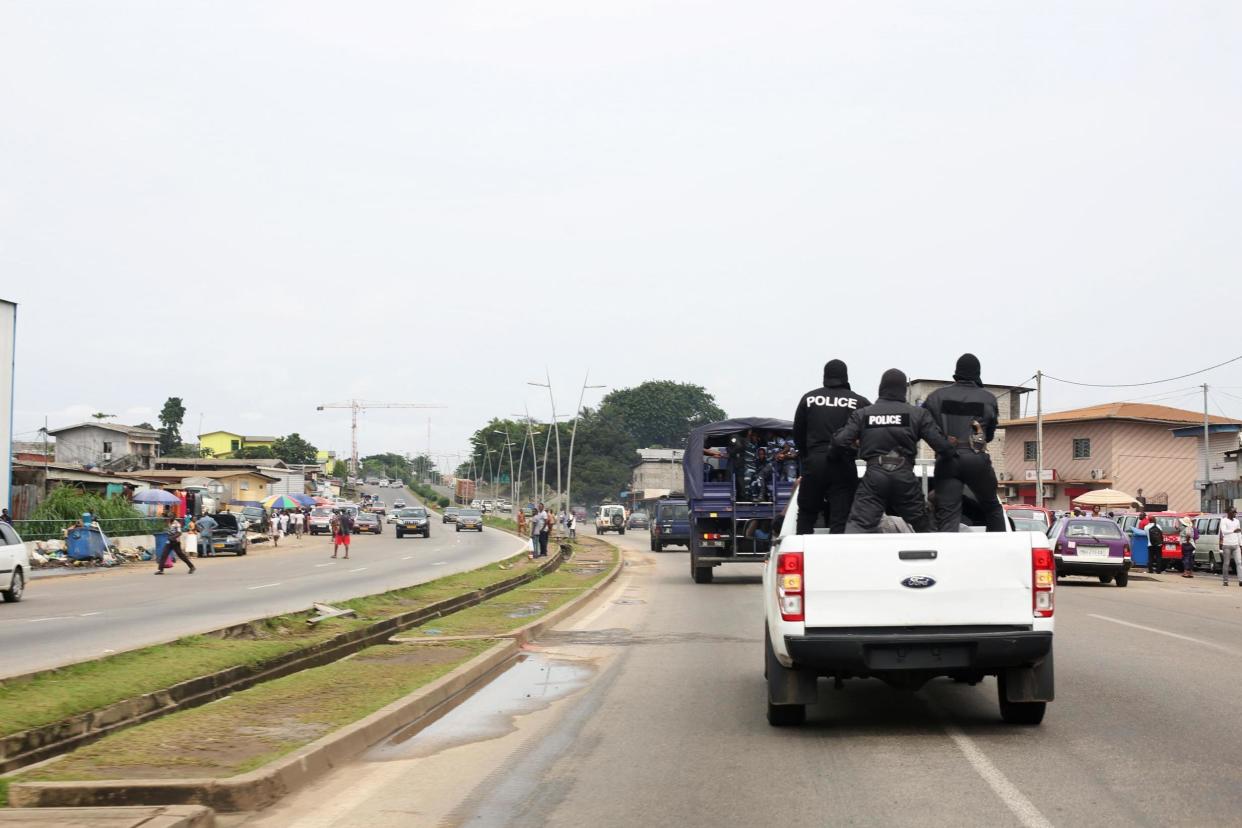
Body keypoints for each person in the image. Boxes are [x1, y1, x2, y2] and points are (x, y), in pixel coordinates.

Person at [833, 368, 954, 534]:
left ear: (881, 388)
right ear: (903, 390)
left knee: (858, 528)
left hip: (874, 477)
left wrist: (853, 448)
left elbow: (840, 442)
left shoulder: (863, 414)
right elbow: (942, 446)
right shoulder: (918, 414)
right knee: (924, 528)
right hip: (904, 476)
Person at [922, 353, 1006, 532]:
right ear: (977, 374)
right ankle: (997, 548)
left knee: (948, 514)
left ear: (957, 373)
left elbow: (926, 429)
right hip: (976, 458)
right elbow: (989, 435)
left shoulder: (935, 397)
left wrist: (943, 445)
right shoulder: (988, 398)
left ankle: (947, 556)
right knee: (992, 507)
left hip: (947, 460)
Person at [793, 359, 870, 534]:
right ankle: (838, 557)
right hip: (843, 464)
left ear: (825, 376)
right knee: (841, 518)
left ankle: (803, 556)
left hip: (814, 462)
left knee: (806, 513)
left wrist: (808, 458)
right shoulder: (859, 402)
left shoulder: (809, 398)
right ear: (846, 377)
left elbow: (798, 434)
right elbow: (870, 435)